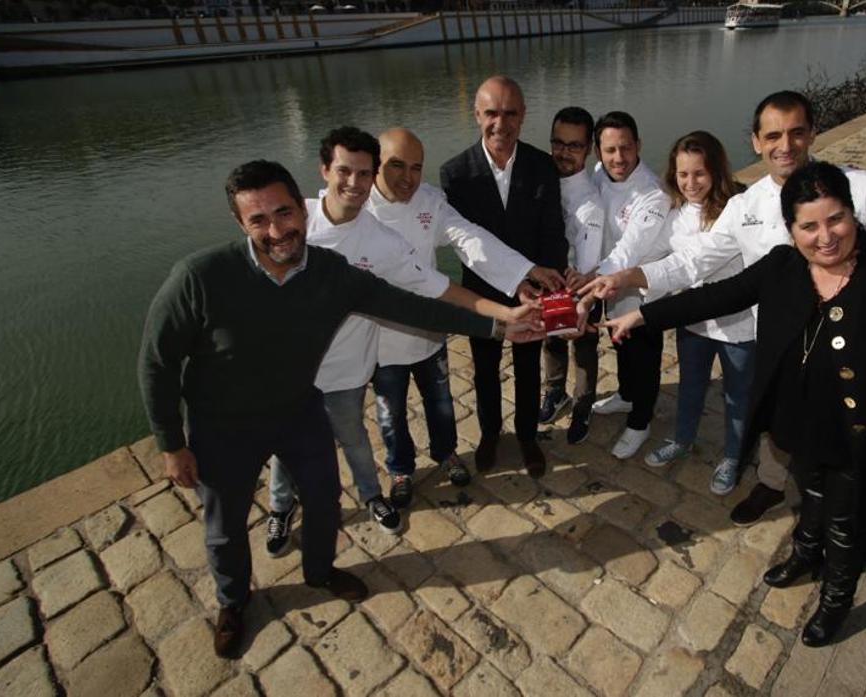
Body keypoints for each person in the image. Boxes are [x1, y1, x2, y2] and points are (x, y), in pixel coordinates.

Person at [138, 159, 542, 657]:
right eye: (258, 220)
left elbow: (410, 306)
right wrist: (170, 445)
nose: (276, 230)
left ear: (302, 211)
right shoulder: (199, 278)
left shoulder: (330, 274)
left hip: (297, 410)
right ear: (240, 224)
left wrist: (501, 327)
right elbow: (156, 364)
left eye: (284, 213)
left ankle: (320, 571)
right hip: (222, 425)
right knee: (224, 528)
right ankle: (233, 601)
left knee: (326, 499)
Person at [602, 161, 866, 647]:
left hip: (865, 427)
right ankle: (805, 553)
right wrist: (643, 317)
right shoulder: (782, 266)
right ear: (790, 227)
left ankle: (837, 599)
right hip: (801, 415)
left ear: (853, 214)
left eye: (836, 219)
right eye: (809, 226)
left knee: (847, 519)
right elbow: (714, 297)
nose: (825, 237)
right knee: (810, 489)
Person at [582, 90, 866, 534]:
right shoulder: (746, 208)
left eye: (797, 132)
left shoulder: (863, 189)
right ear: (756, 142)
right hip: (781, 346)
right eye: (773, 135)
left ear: (813, 133)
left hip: (849, 348)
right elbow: (694, 264)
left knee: (852, 451)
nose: (786, 145)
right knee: (781, 429)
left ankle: (860, 521)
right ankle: (774, 489)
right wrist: (626, 279)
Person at [264, 127, 537, 547]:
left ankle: (378, 493)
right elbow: (255, 270)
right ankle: (282, 507)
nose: (355, 183)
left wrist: (506, 311)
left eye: (415, 167)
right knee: (293, 441)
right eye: (394, 166)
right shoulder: (294, 220)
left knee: (364, 434)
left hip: (356, 364)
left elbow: (438, 284)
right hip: (302, 365)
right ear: (326, 171)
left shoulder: (384, 239)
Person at [365, 127, 564, 508]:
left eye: (415, 167)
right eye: (395, 166)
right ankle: (401, 469)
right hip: (380, 337)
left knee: (440, 403)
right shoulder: (359, 209)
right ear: (374, 164)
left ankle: (447, 454)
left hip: (428, 328)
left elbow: (471, 239)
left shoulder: (430, 202)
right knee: (390, 411)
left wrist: (526, 270)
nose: (407, 177)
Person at [440, 75, 569, 478]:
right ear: (476, 114)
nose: (501, 123)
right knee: (485, 367)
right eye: (492, 112)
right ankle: (490, 434)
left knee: (529, 365)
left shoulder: (542, 165)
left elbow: (552, 230)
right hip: (482, 293)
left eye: (510, 113)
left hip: (532, 292)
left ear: (523, 116)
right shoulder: (455, 174)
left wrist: (548, 295)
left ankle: (528, 435)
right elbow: (464, 244)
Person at [641, 131, 755, 497]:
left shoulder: (740, 208)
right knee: (691, 385)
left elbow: (700, 263)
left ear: (717, 171)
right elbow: (652, 258)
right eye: (682, 174)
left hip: (738, 326)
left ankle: (734, 455)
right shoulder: (674, 215)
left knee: (737, 396)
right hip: (693, 320)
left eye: (699, 174)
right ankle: (682, 438)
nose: (690, 183)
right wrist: (620, 281)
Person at [587, 110, 673, 460]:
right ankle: (626, 395)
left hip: (643, 287)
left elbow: (628, 250)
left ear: (638, 145)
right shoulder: (597, 174)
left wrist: (588, 283)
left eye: (625, 148)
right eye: (610, 150)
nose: (618, 158)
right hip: (609, 282)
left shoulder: (653, 193)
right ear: (598, 152)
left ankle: (641, 420)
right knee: (620, 342)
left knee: (645, 353)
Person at [539, 106, 606, 444]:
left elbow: (587, 269)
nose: (564, 153)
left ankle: (582, 404)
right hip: (549, 280)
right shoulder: (545, 178)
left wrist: (579, 304)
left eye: (574, 146)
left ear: (589, 148)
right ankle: (555, 392)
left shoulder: (589, 204)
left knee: (582, 346)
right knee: (551, 343)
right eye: (558, 143)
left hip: (578, 287)